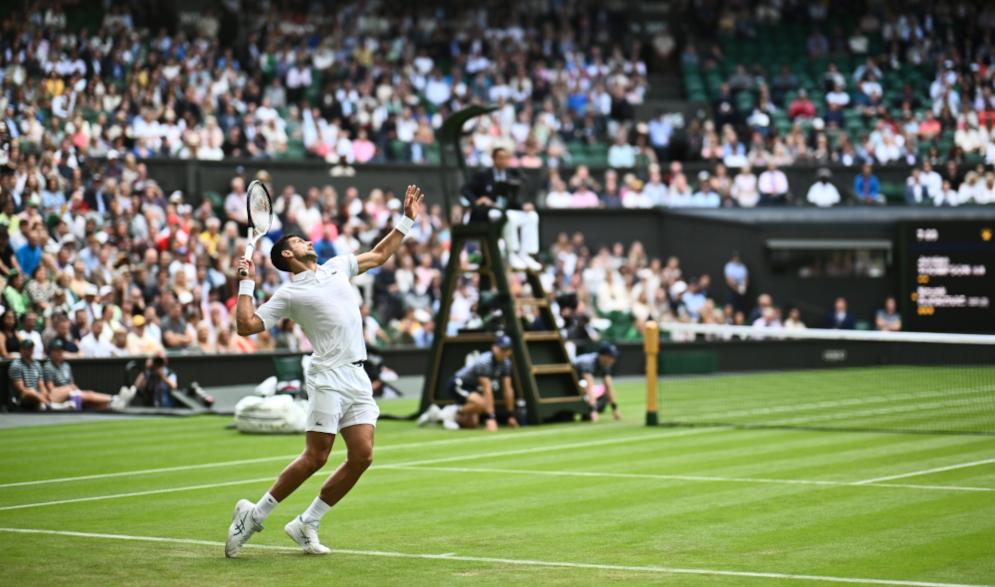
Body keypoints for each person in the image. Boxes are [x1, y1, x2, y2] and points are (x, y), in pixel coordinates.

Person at [225, 184, 424, 558]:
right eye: (300, 241)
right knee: (316, 456)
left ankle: (306, 522)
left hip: (357, 376)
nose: (307, 242)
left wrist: (406, 220)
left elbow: (380, 254)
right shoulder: (288, 294)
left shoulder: (336, 266)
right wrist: (246, 284)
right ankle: (253, 515)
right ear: (288, 253)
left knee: (362, 456)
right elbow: (246, 326)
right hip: (326, 376)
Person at [460, 147, 541, 271]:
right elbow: (465, 190)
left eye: (506, 158)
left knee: (532, 216)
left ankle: (526, 254)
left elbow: (511, 201)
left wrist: (522, 207)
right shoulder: (483, 175)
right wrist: (477, 200)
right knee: (508, 217)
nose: (504, 161)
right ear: (494, 159)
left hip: (505, 211)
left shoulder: (511, 175)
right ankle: (512, 253)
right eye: (501, 158)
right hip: (488, 213)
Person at [418, 334, 519, 431]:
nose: (505, 352)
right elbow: (487, 389)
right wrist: (491, 418)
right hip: (458, 384)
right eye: (502, 349)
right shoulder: (484, 361)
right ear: (494, 348)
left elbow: (508, 389)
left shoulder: (506, 363)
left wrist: (510, 415)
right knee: (483, 404)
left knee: (472, 424)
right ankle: (449, 414)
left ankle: (438, 414)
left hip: (472, 388)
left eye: (507, 349)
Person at [44, 339, 131, 410]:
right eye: (56, 350)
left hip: (71, 393)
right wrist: (69, 389)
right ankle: (115, 398)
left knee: (89, 402)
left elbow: (72, 383)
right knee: (86, 395)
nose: (59, 353)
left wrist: (73, 389)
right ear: (51, 352)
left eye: (60, 350)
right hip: (59, 396)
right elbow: (51, 389)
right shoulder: (48, 366)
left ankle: (112, 405)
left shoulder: (66, 365)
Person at [574, 343, 621, 422]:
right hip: (571, 386)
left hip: (581, 386)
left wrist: (615, 408)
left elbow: (608, 386)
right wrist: (593, 410)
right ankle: (587, 410)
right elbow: (589, 386)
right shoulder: (587, 362)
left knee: (603, 389)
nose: (613, 360)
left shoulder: (605, 364)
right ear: (602, 356)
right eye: (610, 357)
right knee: (585, 385)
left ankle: (590, 409)